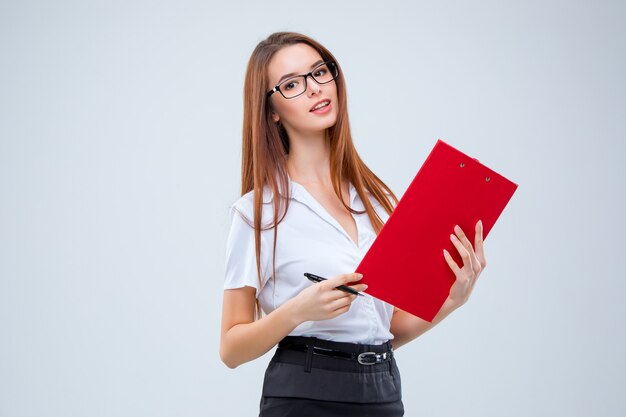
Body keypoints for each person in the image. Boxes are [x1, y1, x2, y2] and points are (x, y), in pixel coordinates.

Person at [219, 31, 487, 417]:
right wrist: (298, 311)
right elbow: (230, 348)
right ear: (271, 110)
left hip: (381, 391)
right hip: (304, 392)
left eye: (319, 72)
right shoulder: (255, 213)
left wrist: (450, 301)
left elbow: (384, 330)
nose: (314, 89)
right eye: (293, 84)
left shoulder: (378, 201)